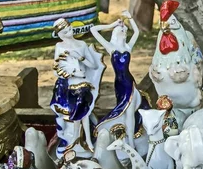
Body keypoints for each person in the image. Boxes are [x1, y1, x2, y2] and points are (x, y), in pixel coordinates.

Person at [91, 11, 151, 147]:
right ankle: (128, 140)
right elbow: (93, 30)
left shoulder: (127, 47)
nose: (124, 33)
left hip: (130, 81)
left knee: (132, 110)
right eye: (122, 31)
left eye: (124, 31)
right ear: (116, 33)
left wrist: (130, 17)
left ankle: (132, 139)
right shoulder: (111, 47)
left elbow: (136, 33)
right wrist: (111, 24)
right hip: (120, 84)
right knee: (125, 110)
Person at [50, 18, 104, 154]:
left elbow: (94, 65)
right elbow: (57, 68)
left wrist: (80, 58)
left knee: (82, 110)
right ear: (60, 34)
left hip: (83, 84)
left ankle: (84, 141)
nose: (70, 32)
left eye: (70, 28)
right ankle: (78, 139)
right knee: (78, 114)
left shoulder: (81, 44)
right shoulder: (60, 46)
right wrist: (71, 72)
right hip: (70, 85)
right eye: (66, 31)